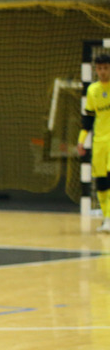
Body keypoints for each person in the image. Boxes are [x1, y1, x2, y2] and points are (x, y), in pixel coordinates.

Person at [78, 53, 110, 233]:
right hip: (99, 142)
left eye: (106, 68)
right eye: (99, 68)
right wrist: (81, 141)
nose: (103, 71)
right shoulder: (92, 90)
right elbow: (88, 120)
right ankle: (107, 218)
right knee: (101, 181)